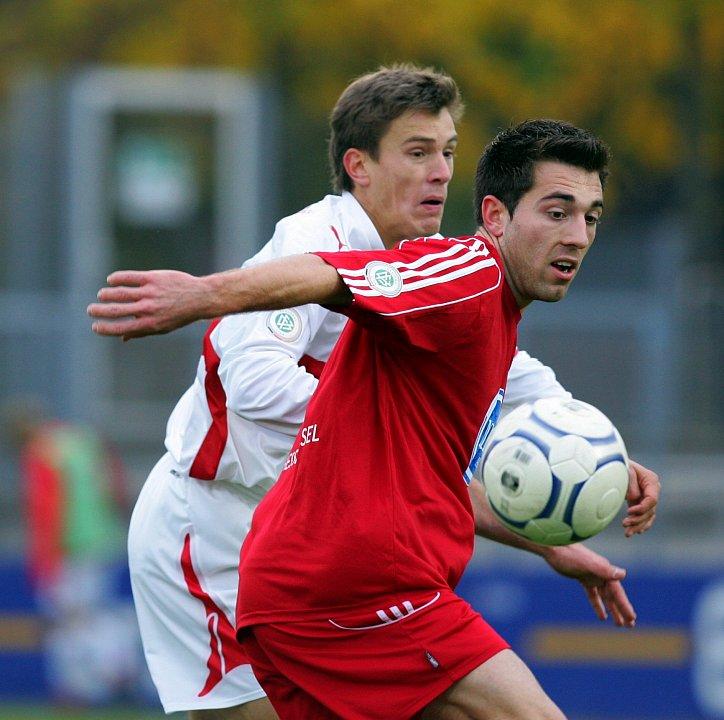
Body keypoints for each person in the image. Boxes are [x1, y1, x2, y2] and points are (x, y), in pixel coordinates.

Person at [90, 117, 659, 719]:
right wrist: (203, 295)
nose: (577, 235)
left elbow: (430, 484)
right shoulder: (468, 274)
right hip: (357, 587)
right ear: (495, 216)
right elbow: (332, 275)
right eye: (556, 211)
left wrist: (556, 531)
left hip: (308, 586)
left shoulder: (488, 330)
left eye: (590, 217)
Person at [2, 399, 146, 707]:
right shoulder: (80, 438)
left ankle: (94, 680)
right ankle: (113, 671)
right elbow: (116, 483)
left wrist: (43, 558)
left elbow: (46, 509)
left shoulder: (40, 454)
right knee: (91, 612)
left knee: (70, 619)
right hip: (104, 538)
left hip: (69, 547)